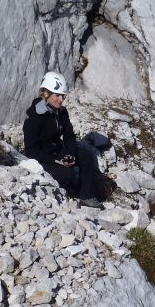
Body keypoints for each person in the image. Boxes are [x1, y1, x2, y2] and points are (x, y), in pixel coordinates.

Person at [22, 71, 105, 208]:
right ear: (46, 94)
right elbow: (31, 152)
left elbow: (69, 136)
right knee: (67, 174)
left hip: (56, 151)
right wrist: (57, 161)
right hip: (41, 158)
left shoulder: (61, 112)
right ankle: (68, 193)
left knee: (85, 155)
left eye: (63, 96)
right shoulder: (34, 119)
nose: (61, 99)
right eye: (57, 95)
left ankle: (87, 196)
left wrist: (70, 154)